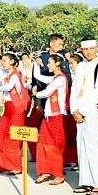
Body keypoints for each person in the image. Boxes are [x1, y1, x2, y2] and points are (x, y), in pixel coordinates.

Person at [70, 39, 98, 195]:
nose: (88, 52)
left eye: (91, 49)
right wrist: (74, 109)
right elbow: (74, 89)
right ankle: (86, 182)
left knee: (95, 147)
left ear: (96, 48)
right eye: (84, 49)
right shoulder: (80, 66)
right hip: (79, 112)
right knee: (82, 147)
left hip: (93, 111)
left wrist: (84, 111)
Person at [32, 54, 70, 185]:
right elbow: (38, 76)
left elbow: (47, 92)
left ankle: (58, 174)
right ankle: (45, 171)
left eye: (50, 63)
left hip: (56, 116)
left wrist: (35, 94)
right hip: (49, 116)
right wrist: (36, 64)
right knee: (43, 144)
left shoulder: (60, 79)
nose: (47, 65)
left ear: (57, 64)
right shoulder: (54, 77)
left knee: (54, 146)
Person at [0, 52, 30, 175]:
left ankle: (15, 166)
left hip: (16, 108)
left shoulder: (15, 75)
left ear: (12, 62)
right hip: (8, 108)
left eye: (5, 60)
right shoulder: (7, 74)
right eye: (2, 60)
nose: (2, 63)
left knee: (13, 138)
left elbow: (8, 88)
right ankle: (3, 164)